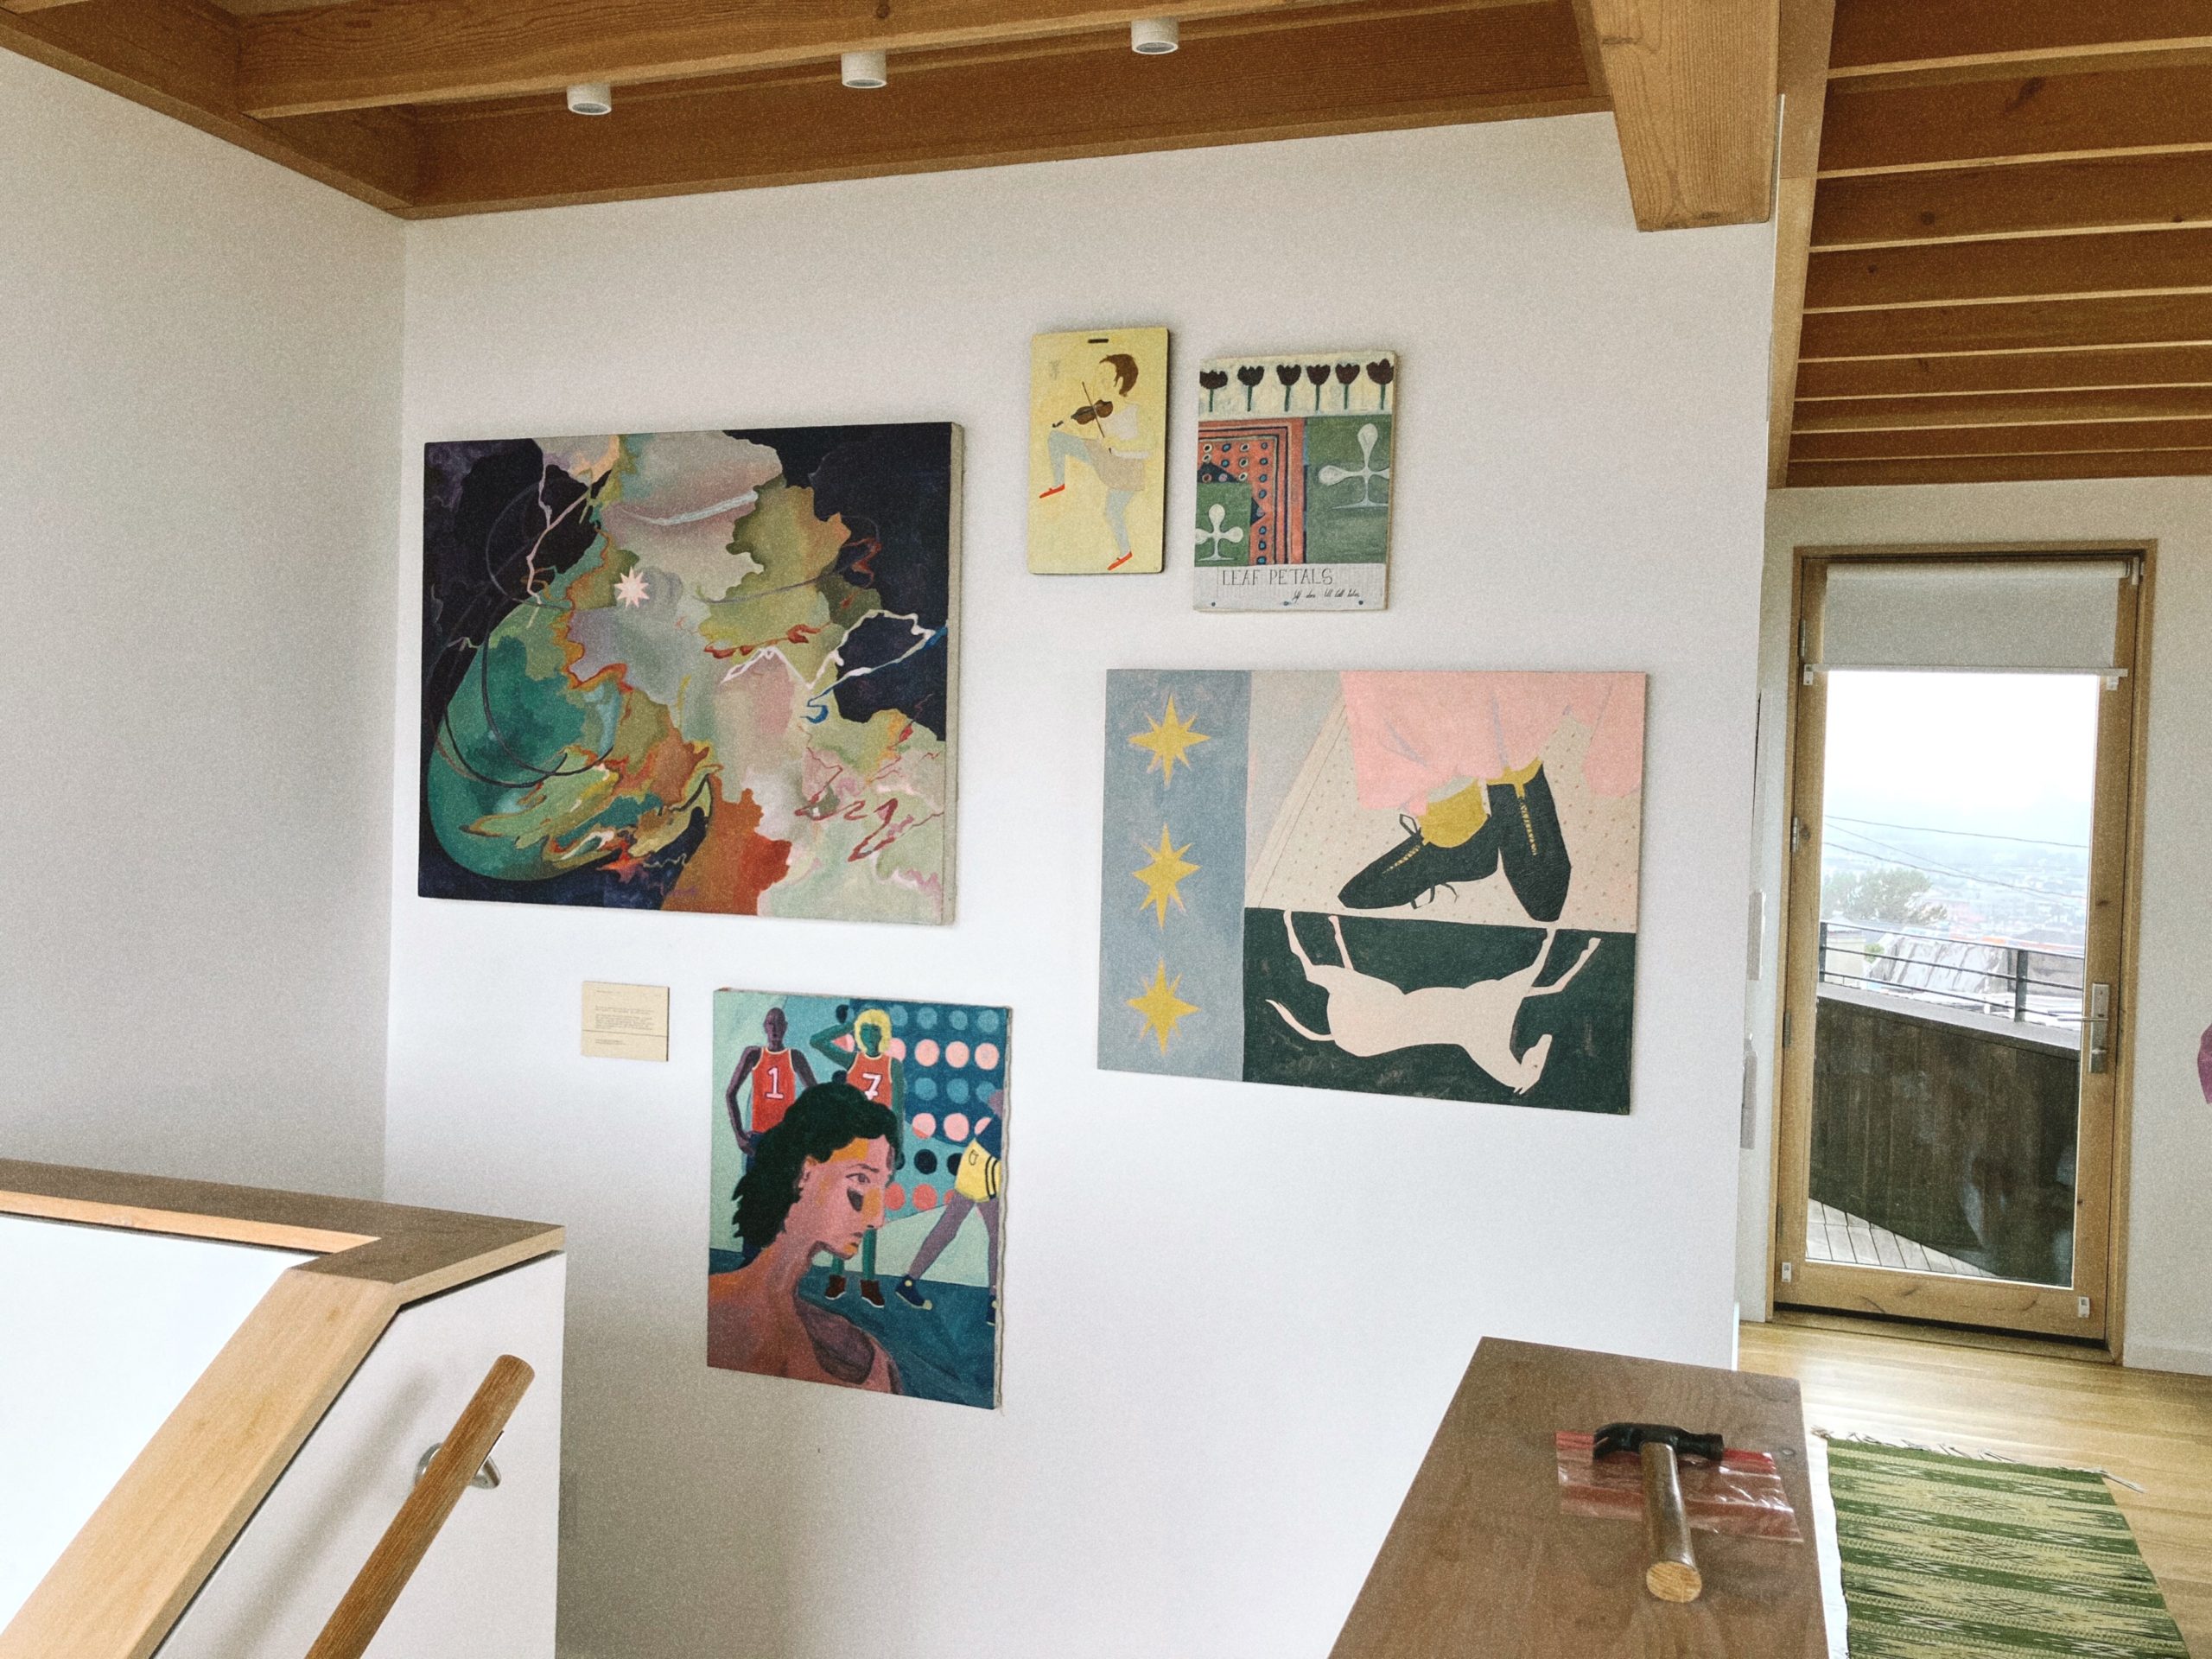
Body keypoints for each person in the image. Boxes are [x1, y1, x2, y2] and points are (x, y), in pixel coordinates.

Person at [709, 1083, 901, 1392]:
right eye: (861, 1179)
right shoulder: (714, 1311)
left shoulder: (861, 1350)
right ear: (806, 1172)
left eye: (882, 1186)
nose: (876, 1219)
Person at [810, 1006, 900, 1306]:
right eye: (865, 1030)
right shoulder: (853, 1060)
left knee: (870, 1214)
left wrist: (897, 1149)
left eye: (875, 1030)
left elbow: (898, 1110)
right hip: (850, 1145)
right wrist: (850, 1025)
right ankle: (837, 1277)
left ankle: (868, 1281)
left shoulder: (893, 1066)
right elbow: (817, 1041)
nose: (870, 1035)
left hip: (879, 1147)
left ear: (883, 1034)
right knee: (843, 1209)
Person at [895, 1087, 1004, 1327]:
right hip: (987, 1162)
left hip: (980, 1158)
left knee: (951, 1223)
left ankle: (909, 1282)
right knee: (997, 1234)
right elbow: (995, 1098)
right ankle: (994, 1302)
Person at [1037, 352, 1150, 570]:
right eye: (1097, 378)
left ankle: (1125, 553)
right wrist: (1070, 424)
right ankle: (1059, 482)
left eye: (1104, 379)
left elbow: (1149, 443)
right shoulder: (1102, 410)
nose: (1098, 384)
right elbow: (1088, 433)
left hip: (1127, 469)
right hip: (1105, 457)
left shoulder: (1136, 412)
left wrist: (1120, 443)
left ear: (1120, 382)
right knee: (1056, 438)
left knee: (1112, 512)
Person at [724, 1005, 817, 1156]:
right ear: (765, 1027)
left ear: (785, 1027)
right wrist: (739, 1134)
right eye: (770, 1023)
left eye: (779, 1023)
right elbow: (730, 1093)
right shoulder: (753, 1054)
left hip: (787, 1137)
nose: (775, 1029)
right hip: (759, 1137)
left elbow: (816, 1095)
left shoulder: (795, 1056)